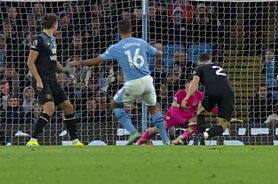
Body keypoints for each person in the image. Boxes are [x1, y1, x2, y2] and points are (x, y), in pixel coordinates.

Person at [69, 20, 170, 145]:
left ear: (118, 31)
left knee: (115, 105)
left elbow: (97, 61)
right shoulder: (141, 42)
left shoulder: (116, 47)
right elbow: (158, 54)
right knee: (154, 109)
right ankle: (166, 141)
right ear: (131, 29)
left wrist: (79, 62)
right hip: (148, 81)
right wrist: (159, 48)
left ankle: (133, 132)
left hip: (133, 82)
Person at [26, 14, 83, 146]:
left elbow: (53, 60)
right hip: (42, 80)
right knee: (49, 108)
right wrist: (38, 80)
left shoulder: (52, 40)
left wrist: (66, 71)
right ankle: (33, 140)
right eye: (58, 24)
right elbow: (30, 62)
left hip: (52, 80)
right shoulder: (38, 40)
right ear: (54, 25)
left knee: (68, 107)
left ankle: (75, 140)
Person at [181, 53, 234, 145]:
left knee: (200, 111)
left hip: (213, 91)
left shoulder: (200, 68)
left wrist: (187, 97)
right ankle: (205, 135)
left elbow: (195, 83)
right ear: (210, 61)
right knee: (223, 126)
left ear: (199, 62)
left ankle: (200, 138)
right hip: (229, 93)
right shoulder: (218, 66)